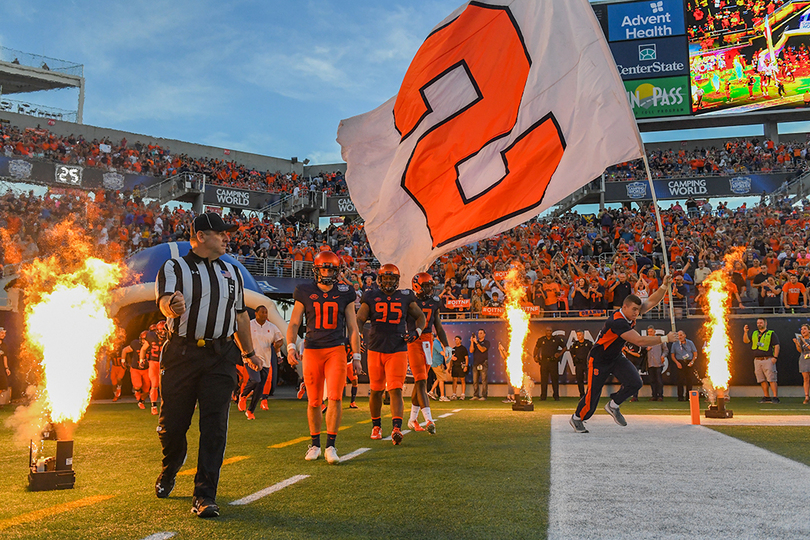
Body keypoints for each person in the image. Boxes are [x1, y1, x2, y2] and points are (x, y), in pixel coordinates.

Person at [154, 212, 256, 518]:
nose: (227, 238)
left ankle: (204, 495)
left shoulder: (232, 271)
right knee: (171, 426)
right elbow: (163, 300)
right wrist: (171, 305)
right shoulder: (175, 266)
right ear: (200, 236)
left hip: (220, 355)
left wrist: (250, 353)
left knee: (215, 428)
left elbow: (240, 316)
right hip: (182, 355)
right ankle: (171, 464)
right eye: (220, 233)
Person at [570, 276, 677, 433]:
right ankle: (577, 418)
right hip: (599, 360)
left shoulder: (630, 314)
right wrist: (665, 338)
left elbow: (652, 302)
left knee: (635, 382)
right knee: (592, 396)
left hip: (615, 357)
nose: (636, 313)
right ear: (624, 307)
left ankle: (613, 405)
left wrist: (664, 286)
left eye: (638, 310)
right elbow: (639, 341)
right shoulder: (617, 322)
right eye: (634, 310)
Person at [286, 251, 361, 462]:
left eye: (331, 269)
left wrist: (356, 356)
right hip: (312, 349)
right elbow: (293, 322)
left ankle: (331, 446)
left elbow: (353, 327)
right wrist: (291, 346)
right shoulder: (304, 290)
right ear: (316, 270)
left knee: (336, 397)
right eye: (323, 268)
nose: (327, 273)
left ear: (337, 271)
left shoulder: (346, 292)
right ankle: (315, 444)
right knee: (314, 400)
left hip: (335, 349)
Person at [355, 264, 425, 445]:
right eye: (385, 278)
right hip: (376, 347)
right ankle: (376, 426)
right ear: (379, 279)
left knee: (395, 389)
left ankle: (396, 428)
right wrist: (359, 337)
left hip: (397, 348)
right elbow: (360, 318)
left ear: (397, 280)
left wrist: (416, 331)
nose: (388, 282)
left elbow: (421, 317)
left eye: (391, 279)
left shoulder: (405, 296)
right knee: (376, 390)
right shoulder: (370, 295)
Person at [406, 272, 448, 432]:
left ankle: (412, 420)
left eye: (431, 285)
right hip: (414, 340)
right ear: (417, 286)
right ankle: (429, 420)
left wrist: (446, 345)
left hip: (428, 341)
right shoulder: (410, 300)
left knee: (420, 382)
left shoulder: (434, 302)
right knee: (422, 380)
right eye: (427, 286)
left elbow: (438, 325)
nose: (430, 289)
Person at [241, 305, 283, 420]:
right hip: (251, 358)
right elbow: (240, 337)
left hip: (265, 360)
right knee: (255, 379)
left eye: (266, 312)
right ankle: (243, 395)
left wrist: (278, 344)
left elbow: (280, 339)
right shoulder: (249, 325)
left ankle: (250, 411)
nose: (265, 314)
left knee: (260, 386)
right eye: (262, 312)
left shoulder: (272, 327)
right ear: (256, 313)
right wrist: (245, 352)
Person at [743, 319, 780, 403]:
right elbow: (746, 341)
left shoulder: (771, 333)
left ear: (765, 323)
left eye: (761, 323)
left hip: (767, 359)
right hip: (757, 359)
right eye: (758, 323)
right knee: (761, 379)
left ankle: (775, 397)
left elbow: (776, 345)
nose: (759, 324)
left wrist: (775, 357)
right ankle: (766, 396)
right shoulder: (755, 333)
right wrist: (745, 332)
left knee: (771, 378)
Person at [533, 327, 566, 401]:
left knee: (555, 379)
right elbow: (536, 348)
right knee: (543, 380)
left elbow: (565, 347)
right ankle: (543, 396)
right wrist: (535, 356)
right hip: (544, 362)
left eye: (550, 331)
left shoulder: (556, 339)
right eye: (547, 331)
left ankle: (556, 396)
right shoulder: (541, 340)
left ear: (552, 332)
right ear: (545, 332)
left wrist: (559, 354)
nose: (549, 332)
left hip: (553, 362)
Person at [124, 331, 150, 410]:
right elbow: (124, 350)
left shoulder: (153, 345)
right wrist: (123, 360)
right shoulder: (135, 344)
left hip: (147, 369)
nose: (144, 342)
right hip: (136, 368)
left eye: (146, 340)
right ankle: (137, 395)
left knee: (147, 390)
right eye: (143, 340)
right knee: (138, 385)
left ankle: (140, 401)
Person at [670, 330, 698, 401]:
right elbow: (672, 355)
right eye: (679, 335)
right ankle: (680, 397)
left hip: (689, 362)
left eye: (681, 335)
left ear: (685, 335)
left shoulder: (690, 343)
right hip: (680, 362)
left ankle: (689, 397)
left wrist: (692, 361)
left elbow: (695, 353)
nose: (680, 337)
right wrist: (677, 363)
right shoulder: (675, 344)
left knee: (689, 380)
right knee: (680, 380)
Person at [645, 326, 668, 401]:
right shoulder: (646, 340)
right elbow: (641, 349)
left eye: (651, 332)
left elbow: (666, 350)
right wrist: (646, 349)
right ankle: (654, 395)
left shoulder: (659, 340)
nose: (650, 333)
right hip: (650, 363)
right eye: (648, 332)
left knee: (659, 380)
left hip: (658, 363)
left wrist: (663, 356)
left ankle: (660, 395)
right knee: (652, 380)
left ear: (655, 332)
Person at [568, 331, 593, 398]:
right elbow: (572, 352)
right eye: (577, 335)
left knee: (589, 380)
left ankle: (589, 395)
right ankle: (582, 395)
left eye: (580, 335)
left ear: (583, 335)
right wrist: (575, 358)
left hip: (586, 364)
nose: (578, 336)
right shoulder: (575, 344)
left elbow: (593, 351)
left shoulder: (588, 343)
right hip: (579, 364)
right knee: (579, 380)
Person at [429, 335, 451, 402]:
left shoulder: (436, 342)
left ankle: (431, 392)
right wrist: (450, 356)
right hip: (437, 363)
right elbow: (442, 353)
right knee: (441, 379)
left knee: (439, 378)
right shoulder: (436, 343)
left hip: (437, 363)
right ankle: (442, 396)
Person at [469, 329, 490, 400]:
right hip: (475, 363)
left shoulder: (487, 342)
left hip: (483, 363)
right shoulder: (475, 342)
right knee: (475, 381)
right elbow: (471, 350)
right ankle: (476, 395)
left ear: (484, 334)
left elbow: (482, 349)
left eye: (481, 333)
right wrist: (472, 342)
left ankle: (484, 396)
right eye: (478, 333)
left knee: (484, 380)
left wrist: (477, 343)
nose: (479, 335)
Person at [793, 324, 810, 404]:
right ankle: (806, 396)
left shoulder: (806, 340)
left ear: (809, 330)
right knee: (806, 378)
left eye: (805, 329)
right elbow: (800, 350)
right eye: (802, 329)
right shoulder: (800, 339)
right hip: (804, 359)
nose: (803, 331)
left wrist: (803, 341)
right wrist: (797, 343)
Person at [0, 327, 10, 408]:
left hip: (1, 368)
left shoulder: (4, 345)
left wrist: (6, 368)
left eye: (4, 333)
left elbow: (5, 357)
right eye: (1, 333)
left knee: (2, 384)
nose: (3, 335)